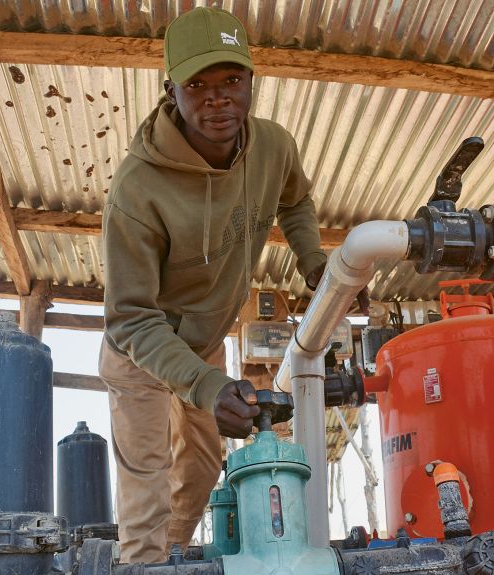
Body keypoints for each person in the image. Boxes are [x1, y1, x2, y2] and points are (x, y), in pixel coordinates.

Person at [98, 6, 330, 564]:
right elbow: (130, 318)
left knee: (201, 472)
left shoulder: (274, 145)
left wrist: (314, 261)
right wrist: (207, 386)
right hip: (140, 356)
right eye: (196, 84)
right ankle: (144, 563)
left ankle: (172, 558)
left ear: (253, 81)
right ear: (170, 91)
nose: (217, 98)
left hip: (201, 346)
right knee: (148, 487)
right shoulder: (137, 191)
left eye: (232, 80)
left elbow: (294, 199)